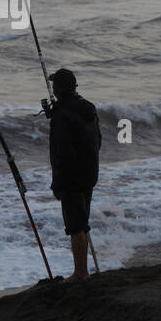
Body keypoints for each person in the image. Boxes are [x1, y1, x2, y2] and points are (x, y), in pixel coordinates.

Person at [48, 68, 101, 282]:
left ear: (58, 89)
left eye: (54, 86)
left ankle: (81, 273)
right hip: (89, 174)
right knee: (82, 222)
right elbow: (97, 140)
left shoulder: (62, 115)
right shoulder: (88, 108)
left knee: (76, 227)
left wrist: (57, 184)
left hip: (72, 178)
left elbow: (63, 153)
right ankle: (83, 270)